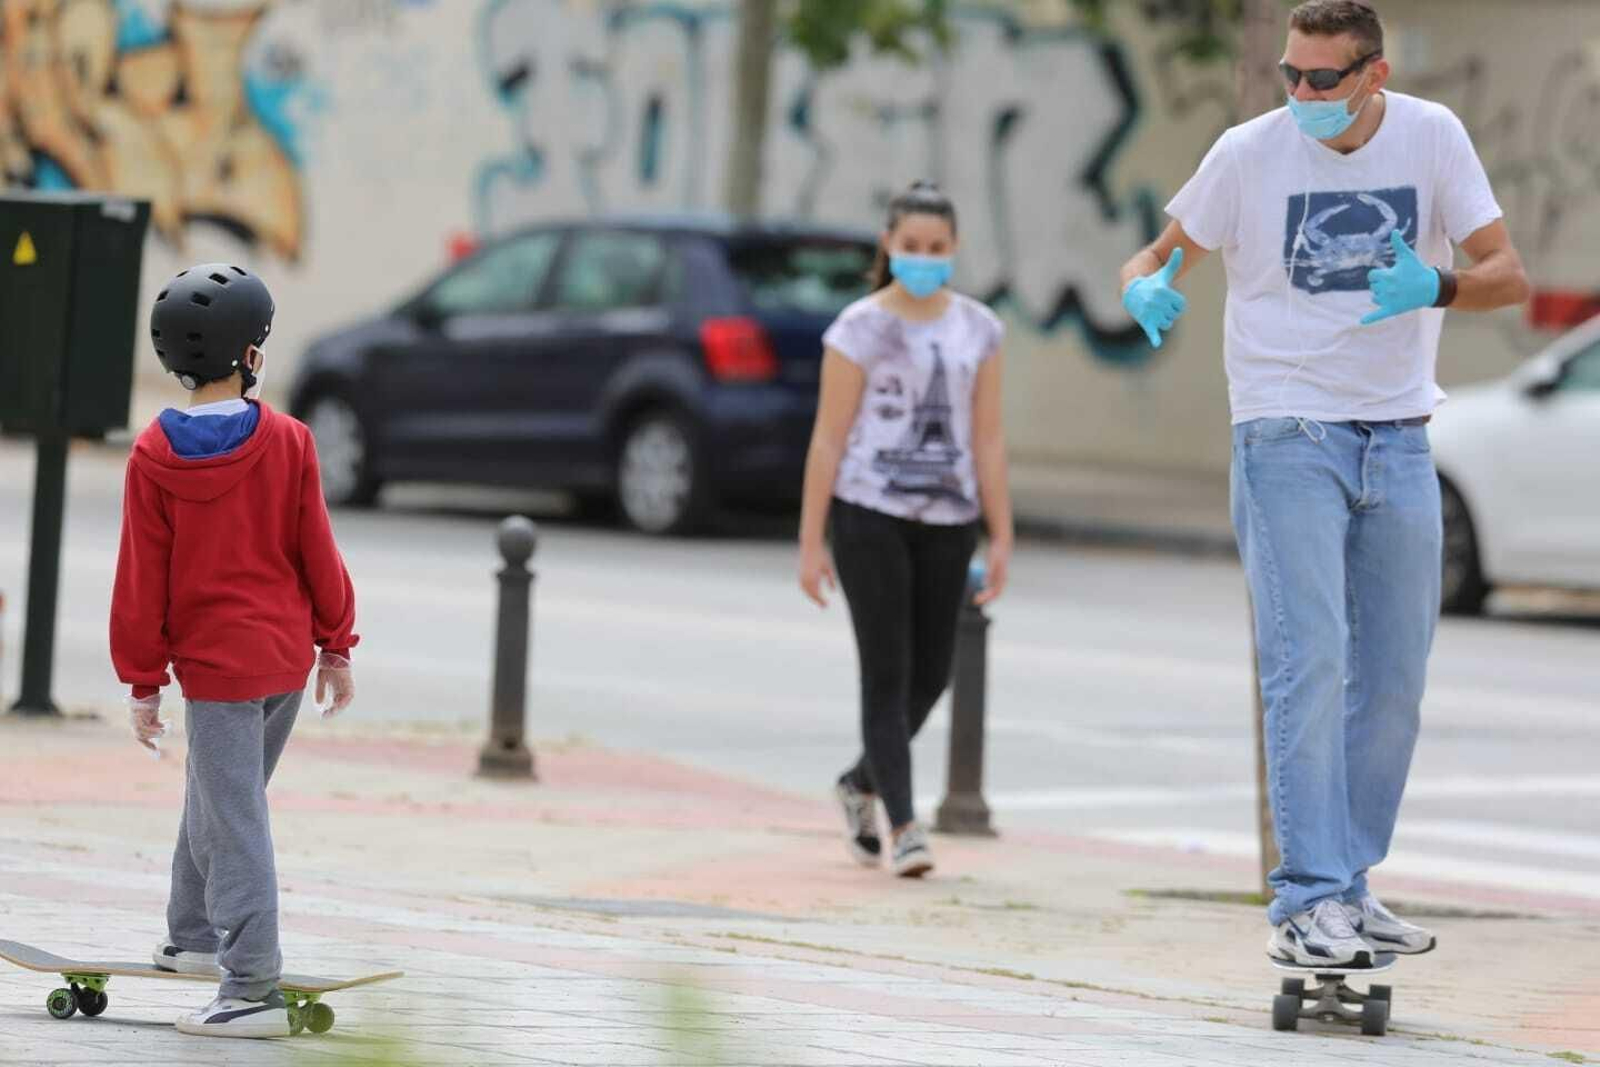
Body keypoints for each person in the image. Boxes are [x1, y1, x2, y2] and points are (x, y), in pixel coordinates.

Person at [1117, 0, 1529, 966]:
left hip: (1398, 437)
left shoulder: (1433, 137)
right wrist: (1143, 282)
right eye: (1290, 76)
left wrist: (1438, 287)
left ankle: (1349, 882)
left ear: (1373, 75)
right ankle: (1307, 899)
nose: (1300, 94)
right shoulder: (1246, 153)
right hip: (1284, 430)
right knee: (1314, 660)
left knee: (1393, 680)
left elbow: (1506, 270)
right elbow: (1155, 251)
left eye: (1322, 79)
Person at [111, 263, 360, 1038]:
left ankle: (252, 983)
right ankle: (192, 935)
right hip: (284, 661)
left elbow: (140, 580)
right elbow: (317, 549)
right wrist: (337, 643)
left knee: (232, 813)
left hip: (218, 672)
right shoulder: (289, 441)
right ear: (249, 356)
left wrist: (143, 681)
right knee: (221, 799)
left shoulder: (153, 455)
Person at [798, 180, 1014, 879]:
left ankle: (858, 783)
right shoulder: (858, 328)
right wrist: (810, 541)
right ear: (888, 246)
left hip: (949, 519)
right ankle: (904, 824)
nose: (924, 257)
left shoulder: (979, 328)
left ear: (954, 250)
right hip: (868, 515)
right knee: (885, 672)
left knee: (933, 674)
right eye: (911, 246)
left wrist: (1000, 532)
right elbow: (828, 439)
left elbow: (988, 439)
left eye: (937, 248)